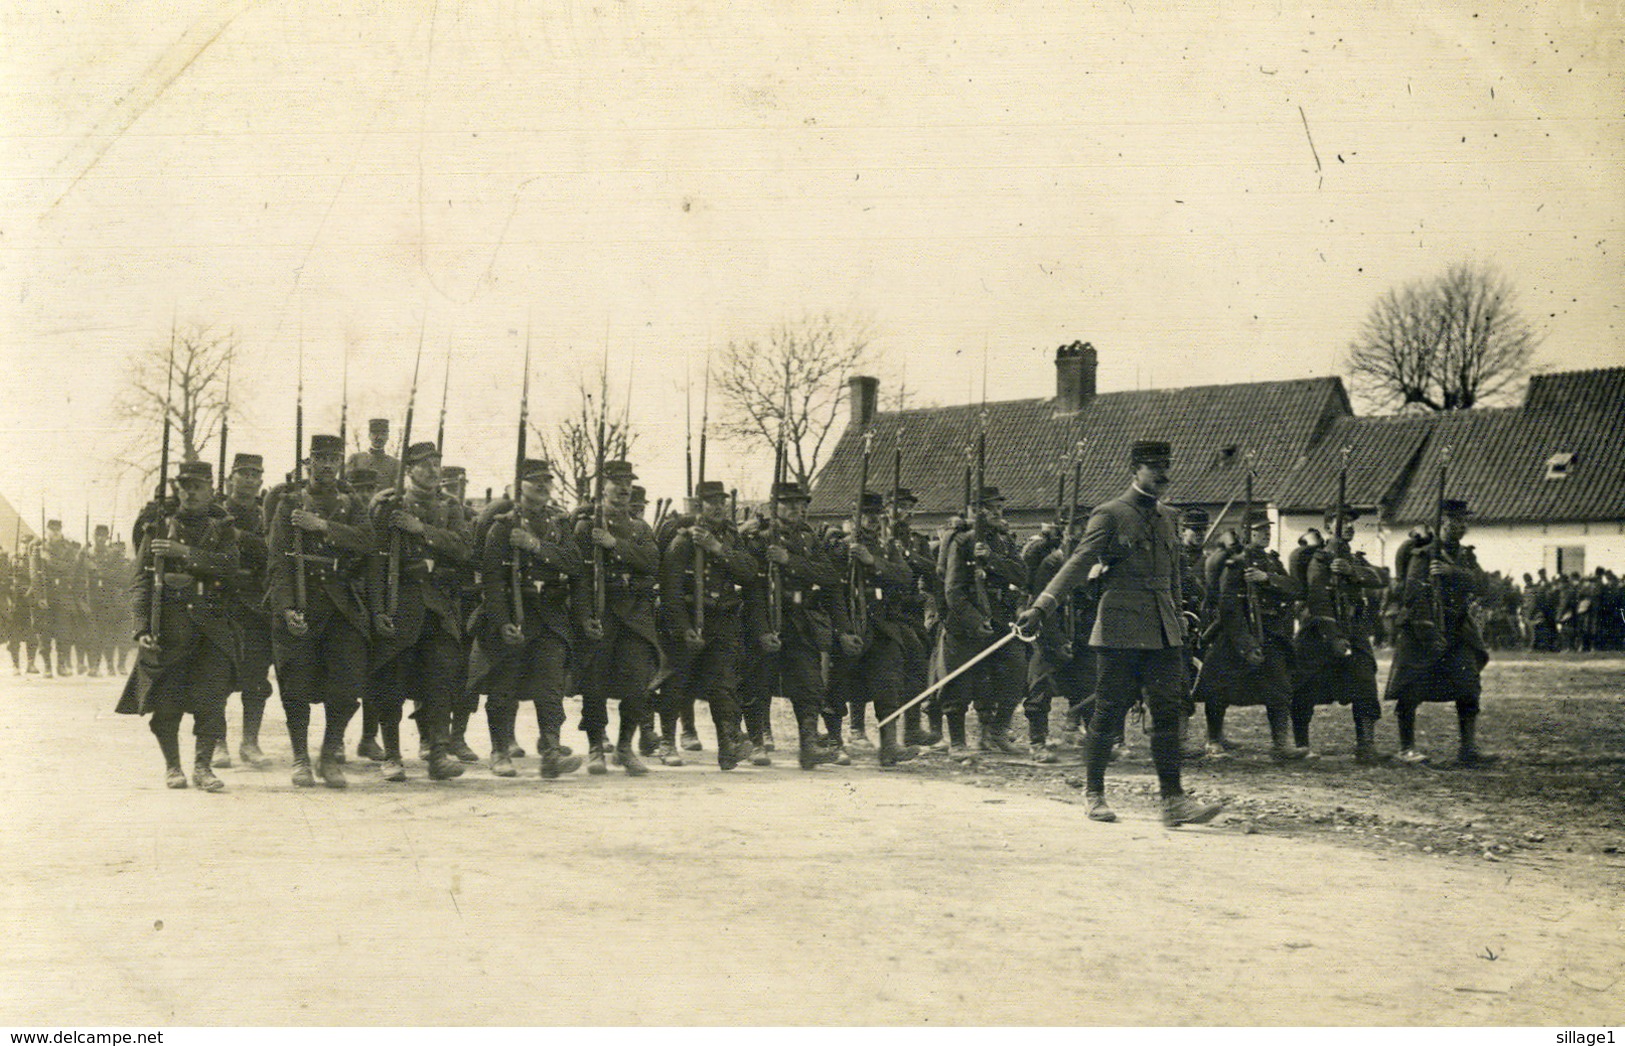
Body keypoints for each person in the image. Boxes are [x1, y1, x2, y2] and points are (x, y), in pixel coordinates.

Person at [1017, 439, 1222, 827]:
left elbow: (1174, 576)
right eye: (1153, 468)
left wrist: (1178, 624)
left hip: (1163, 630)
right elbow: (1078, 563)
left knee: (1167, 711)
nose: (1162, 475)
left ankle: (1173, 801)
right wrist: (1043, 605)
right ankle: (1094, 794)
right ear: (1135, 470)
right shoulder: (1110, 514)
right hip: (1119, 630)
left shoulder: (1168, 516)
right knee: (1108, 711)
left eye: (1165, 467)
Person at [116, 461, 241, 792]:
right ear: (177, 489)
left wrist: (184, 552)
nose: (191, 492)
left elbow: (230, 567)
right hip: (168, 623)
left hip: (211, 624)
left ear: (211, 489)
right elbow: (141, 581)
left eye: (199, 486)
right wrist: (142, 626)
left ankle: (203, 767)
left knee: (212, 699)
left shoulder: (223, 526)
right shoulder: (157, 526)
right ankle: (173, 766)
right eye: (185, 486)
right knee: (167, 700)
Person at [268, 435, 375, 787]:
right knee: (295, 683)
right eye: (320, 457)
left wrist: (324, 527)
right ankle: (300, 756)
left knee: (345, 684)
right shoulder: (288, 505)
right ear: (307, 462)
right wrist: (285, 608)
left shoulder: (352, 503)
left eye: (334, 458)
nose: (327, 464)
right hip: (301, 601)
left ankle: (330, 755)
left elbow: (367, 542)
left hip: (340, 603)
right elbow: (277, 563)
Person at [470, 459, 585, 779]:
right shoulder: (502, 525)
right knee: (504, 686)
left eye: (547, 482)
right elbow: (491, 581)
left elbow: (574, 564)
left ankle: (550, 752)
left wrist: (534, 545)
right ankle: (499, 750)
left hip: (548, 615)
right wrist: (501, 621)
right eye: (535, 482)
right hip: (513, 614)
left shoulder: (558, 524)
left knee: (550, 687)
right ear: (520, 485)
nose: (543, 487)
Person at [367, 441, 472, 782]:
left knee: (440, 679)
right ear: (408, 470)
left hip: (438, 607)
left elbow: (463, 549)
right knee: (391, 679)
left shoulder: (450, 506)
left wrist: (422, 530)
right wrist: (379, 607)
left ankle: (438, 753)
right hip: (400, 600)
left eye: (436, 464)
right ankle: (392, 755)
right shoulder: (388, 504)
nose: (432, 471)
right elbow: (373, 559)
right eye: (424, 465)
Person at [739, 481, 843, 770]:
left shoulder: (808, 538)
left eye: (801, 503)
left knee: (810, 684)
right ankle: (757, 743)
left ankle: (808, 745)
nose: (797, 508)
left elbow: (829, 575)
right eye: (789, 503)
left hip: (801, 620)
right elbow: (753, 588)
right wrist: (761, 630)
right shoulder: (759, 539)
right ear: (774, 506)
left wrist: (790, 560)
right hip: (768, 618)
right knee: (759, 682)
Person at [659, 479, 759, 769]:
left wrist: (716, 548)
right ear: (699, 505)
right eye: (711, 501)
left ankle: (728, 744)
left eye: (722, 501)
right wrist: (682, 627)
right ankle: (667, 742)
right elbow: (670, 591)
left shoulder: (728, 538)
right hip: (688, 618)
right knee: (676, 682)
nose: (718, 507)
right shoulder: (682, 541)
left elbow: (749, 571)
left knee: (723, 682)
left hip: (722, 619)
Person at [1384, 500, 1492, 767]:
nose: (1463, 526)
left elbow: (1484, 584)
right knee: (1411, 687)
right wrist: (1429, 634)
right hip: (1422, 630)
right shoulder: (1423, 556)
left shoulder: (1465, 557)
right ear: (1443, 523)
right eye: (1457, 521)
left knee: (1469, 685)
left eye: (1465, 522)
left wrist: (1453, 572)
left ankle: (1467, 748)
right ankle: (1406, 748)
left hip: (1456, 630)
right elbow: (1413, 595)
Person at [1194, 510, 1307, 761]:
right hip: (1235, 634)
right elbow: (1228, 606)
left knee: (1279, 688)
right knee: (1219, 688)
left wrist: (1267, 579)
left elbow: (1296, 589)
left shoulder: (1272, 563)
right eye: (1260, 530)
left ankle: (1280, 745)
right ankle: (1214, 739)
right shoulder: (1234, 562)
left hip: (1269, 633)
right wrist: (1245, 644)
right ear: (1247, 533)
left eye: (1268, 530)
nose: (1266, 534)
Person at [573, 460, 658, 776]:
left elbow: (651, 562)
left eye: (628, 483)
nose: (624, 488)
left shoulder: (640, 528)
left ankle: (625, 746)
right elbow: (579, 577)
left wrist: (614, 545)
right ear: (602, 488)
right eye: (616, 482)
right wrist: (584, 617)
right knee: (594, 682)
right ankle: (596, 746)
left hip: (634, 615)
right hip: (601, 612)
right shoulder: (585, 527)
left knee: (637, 682)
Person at [1289, 506, 1386, 763]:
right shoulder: (1319, 559)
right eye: (1343, 522)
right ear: (1330, 527)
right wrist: (1333, 637)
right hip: (1320, 630)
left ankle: (1366, 746)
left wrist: (1352, 571)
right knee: (1305, 687)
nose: (1350, 527)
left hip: (1353, 629)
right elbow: (1318, 598)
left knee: (1365, 681)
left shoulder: (1354, 560)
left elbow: (1382, 578)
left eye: (1352, 523)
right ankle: (1301, 745)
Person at [940, 486, 1028, 756]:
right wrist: (974, 619)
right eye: (989, 508)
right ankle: (957, 741)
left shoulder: (1002, 541)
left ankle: (997, 731)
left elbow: (1022, 575)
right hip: (967, 619)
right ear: (976, 511)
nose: (996, 512)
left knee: (1016, 670)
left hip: (1000, 616)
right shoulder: (962, 541)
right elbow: (952, 589)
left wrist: (991, 559)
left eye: (999, 507)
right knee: (961, 680)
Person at [215, 452, 274, 769]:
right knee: (217, 676)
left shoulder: (267, 515)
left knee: (255, 676)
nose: (250, 479)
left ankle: (250, 742)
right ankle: (217, 741)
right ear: (230, 479)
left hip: (255, 604)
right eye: (243, 473)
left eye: (255, 474)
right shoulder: (215, 511)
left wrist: (239, 537)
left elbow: (272, 549)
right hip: (220, 602)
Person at [347, 418, 401, 489]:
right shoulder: (356, 458)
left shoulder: (395, 463)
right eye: (375, 433)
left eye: (383, 434)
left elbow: (396, 489)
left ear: (387, 437)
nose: (379, 437)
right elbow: (347, 485)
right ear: (369, 435)